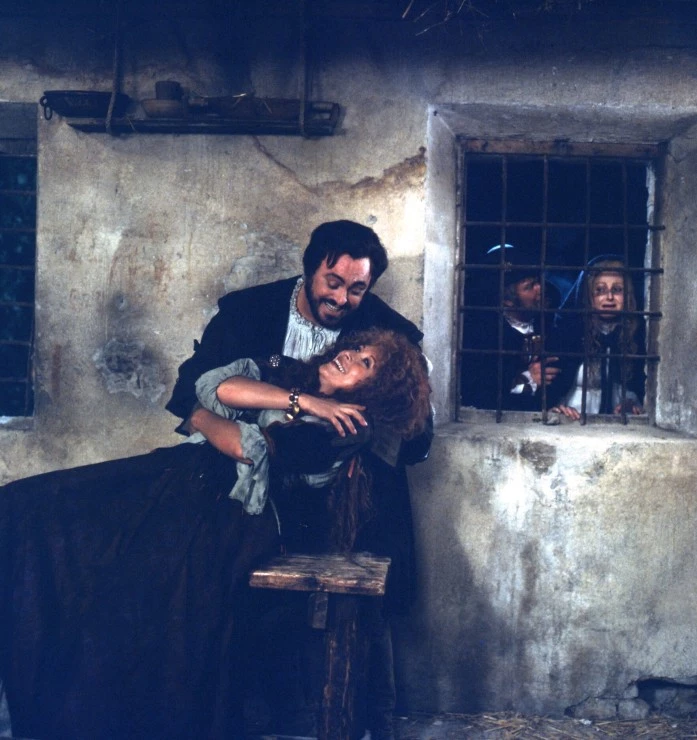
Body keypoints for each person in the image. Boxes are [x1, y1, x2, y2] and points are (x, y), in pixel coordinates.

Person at [0, 329, 432, 740]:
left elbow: (245, 446)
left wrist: (199, 417)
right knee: (29, 505)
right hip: (180, 477)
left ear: (373, 392)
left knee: (127, 579)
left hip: (229, 514)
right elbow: (217, 385)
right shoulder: (290, 373)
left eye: (366, 364)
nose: (350, 355)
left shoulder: (347, 428)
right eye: (358, 349)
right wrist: (300, 399)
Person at [166, 219, 432, 740]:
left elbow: (416, 440)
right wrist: (284, 407)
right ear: (309, 270)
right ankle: (241, 712)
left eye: (357, 288)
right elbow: (193, 390)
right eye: (333, 282)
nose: (342, 299)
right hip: (249, 488)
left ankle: (363, 718)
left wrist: (360, 425)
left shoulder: (387, 334)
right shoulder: (250, 311)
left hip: (344, 497)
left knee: (363, 594)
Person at [461, 243, 561, 411]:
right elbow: (482, 393)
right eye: (529, 286)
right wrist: (527, 379)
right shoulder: (485, 336)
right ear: (507, 301)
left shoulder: (550, 325)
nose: (540, 289)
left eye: (538, 282)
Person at [550, 256, 645, 420]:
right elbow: (553, 386)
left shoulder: (636, 334)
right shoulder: (568, 333)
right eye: (600, 290)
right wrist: (557, 407)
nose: (609, 297)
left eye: (617, 290)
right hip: (573, 420)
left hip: (619, 423)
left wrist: (631, 403)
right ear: (588, 296)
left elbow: (638, 383)